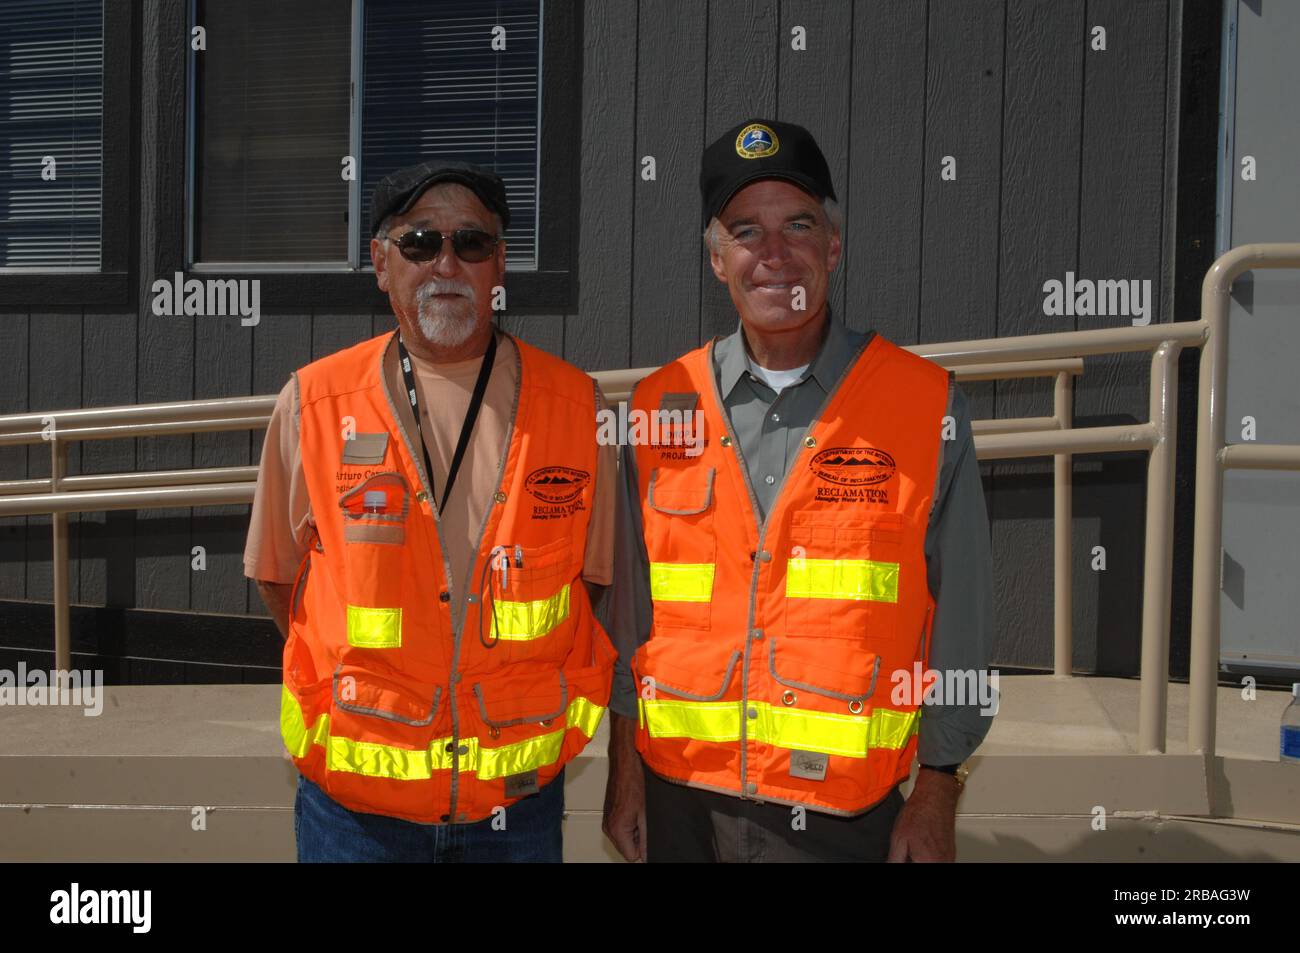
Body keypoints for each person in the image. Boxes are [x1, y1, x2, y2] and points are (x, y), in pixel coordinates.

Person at [601, 119, 995, 863]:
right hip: (680, 798)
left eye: (799, 225)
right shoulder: (659, 406)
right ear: (718, 260)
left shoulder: (925, 405)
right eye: (746, 231)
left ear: (834, 248)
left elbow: (964, 617)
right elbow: (633, 618)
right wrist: (626, 774)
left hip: (843, 815)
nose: (774, 254)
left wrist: (940, 786)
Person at [243, 159, 616, 862]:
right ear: (383, 265)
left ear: (499, 264)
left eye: (471, 243)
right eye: (419, 242)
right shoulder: (311, 404)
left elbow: (593, 589)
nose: (446, 261)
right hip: (354, 818)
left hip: (515, 809)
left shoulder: (578, 408)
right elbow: (279, 582)